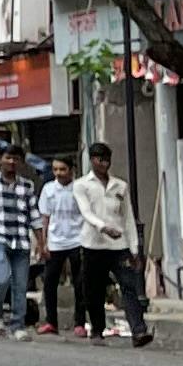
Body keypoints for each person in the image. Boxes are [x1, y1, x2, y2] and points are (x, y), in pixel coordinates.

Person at [72, 140, 149, 345]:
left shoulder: (120, 186)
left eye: (107, 160)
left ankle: (139, 331)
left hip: (119, 245)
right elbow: (86, 212)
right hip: (93, 245)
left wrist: (134, 249)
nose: (104, 164)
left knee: (129, 286)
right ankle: (97, 329)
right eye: (99, 159)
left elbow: (128, 218)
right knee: (94, 290)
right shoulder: (81, 185)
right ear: (92, 160)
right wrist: (103, 227)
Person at [0, 155, 40, 335]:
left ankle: (18, 325)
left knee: (20, 285)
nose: (12, 162)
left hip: (21, 240)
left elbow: (34, 216)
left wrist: (41, 243)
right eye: (8, 158)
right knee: (2, 278)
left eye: (16, 159)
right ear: (1, 160)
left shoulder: (27, 186)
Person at [34, 154, 90, 337]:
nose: (58, 173)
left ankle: (80, 323)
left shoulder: (79, 188)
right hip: (56, 241)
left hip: (77, 239)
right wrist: (42, 243)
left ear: (71, 170)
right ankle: (51, 321)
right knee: (50, 283)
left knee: (80, 282)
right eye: (55, 169)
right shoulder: (49, 189)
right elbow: (44, 218)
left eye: (62, 169)